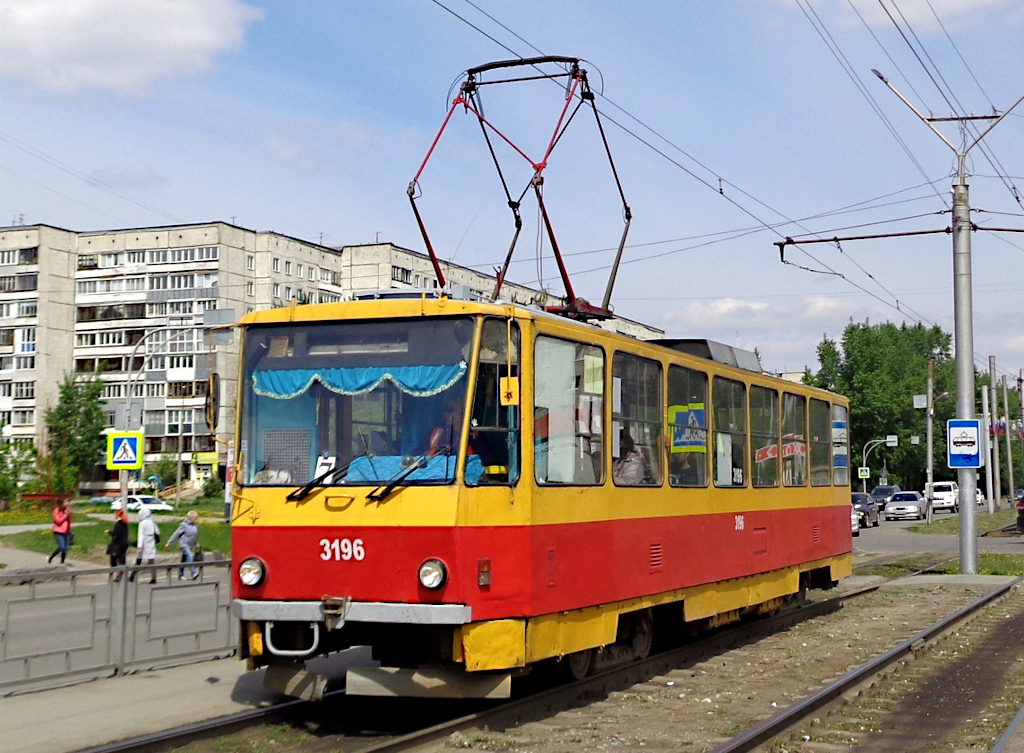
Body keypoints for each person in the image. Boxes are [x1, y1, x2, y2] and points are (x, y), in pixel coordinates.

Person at [166, 510, 200, 580]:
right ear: (190, 518)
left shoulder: (194, 525)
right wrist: (169, 542)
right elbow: (176, 534)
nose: (196, 519)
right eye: (195, 518)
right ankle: (193, 573)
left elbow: (193, 536)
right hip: (183, 544)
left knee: (184, 560)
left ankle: (180, 575)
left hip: (190, 545)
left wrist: (196, 543)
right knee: (190, 555)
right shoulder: (183, 525)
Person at [129, 507, 160, 583]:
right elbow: (158, 532)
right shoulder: (152, 522)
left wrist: (139, 546)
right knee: (151, 560)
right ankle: (154, 578)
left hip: (144, 543)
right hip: (151, 542)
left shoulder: (142, 523)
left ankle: (132, 576)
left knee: (139, 560)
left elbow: (141, 535)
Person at [106, 503, 130, 582]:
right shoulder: (125, 523)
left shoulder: (118, 524)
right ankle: (123, 575)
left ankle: (117, 575)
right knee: (122, 560)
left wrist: (109, 532)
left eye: (115, 514)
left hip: (118, 545)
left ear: (117, 515)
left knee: (114, 560)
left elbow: (116, 535)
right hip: (124, 544)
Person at [47, 499, 72, 565]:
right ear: (61, 504)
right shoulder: (56, 511)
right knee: (62, 547)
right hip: (58, 531)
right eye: (65, 502)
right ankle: (51, 557)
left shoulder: (67, 509)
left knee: (65, 548)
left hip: (66, 531)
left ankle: (62, 562)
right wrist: (65, 515)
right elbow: (58, 521)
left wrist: (68, 509)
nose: (67, 503)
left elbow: (71, 513)